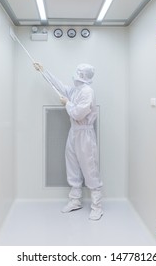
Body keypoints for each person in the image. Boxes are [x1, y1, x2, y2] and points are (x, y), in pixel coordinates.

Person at [33, 62, 103, 220]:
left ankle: (97, 206)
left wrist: (67, 103)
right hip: (74, 132)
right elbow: (59, 86)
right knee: (72, 166)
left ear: (83, 76)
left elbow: (78, 114)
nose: (76, 76)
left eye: (79, 73)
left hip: (85, 134)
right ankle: (75, 200)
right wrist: (43, 71)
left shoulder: (88, 92)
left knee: (89, 168)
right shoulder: (76, 90)